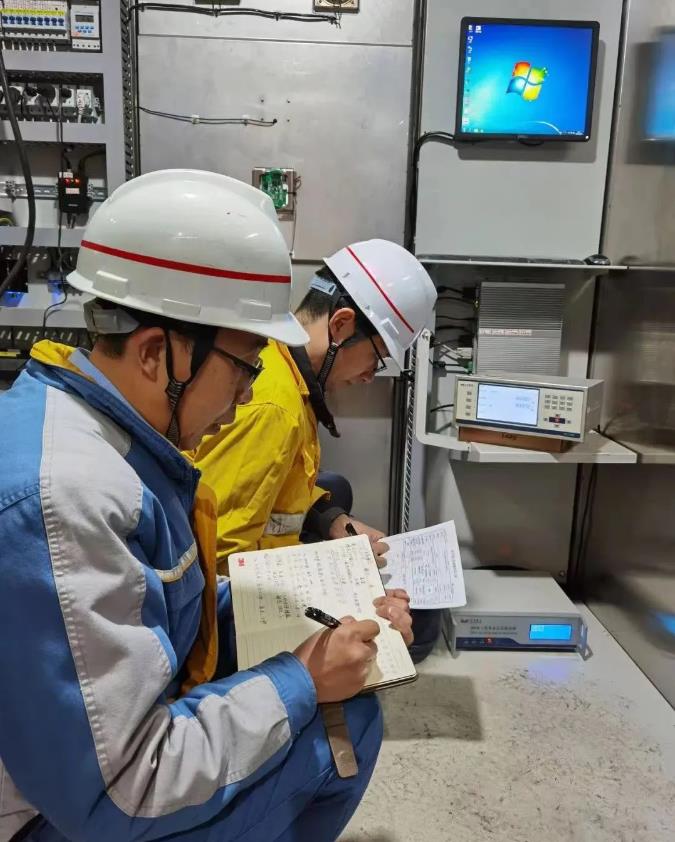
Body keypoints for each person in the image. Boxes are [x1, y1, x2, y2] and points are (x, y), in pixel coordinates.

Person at [0, 170, 413, 842]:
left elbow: (164, 596)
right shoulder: (65, 500)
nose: (248, 396)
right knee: (345, 730)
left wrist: (329, 603)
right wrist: (303, 677)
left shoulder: (102, 432)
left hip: (88, 769)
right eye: (246, 365)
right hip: (55, 815)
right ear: (156, 354)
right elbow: (123, 792)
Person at [192, 238, 443, 663]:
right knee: (408, 628)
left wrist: (333, 521)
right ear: (342, 324)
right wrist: (341, 589)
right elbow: (216, 560)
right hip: (230, 612)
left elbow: (281, 487)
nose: (369, 376)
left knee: (338, 492)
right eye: (377, 357)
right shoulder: (275, 407)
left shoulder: (283, 368)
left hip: (267, 567)